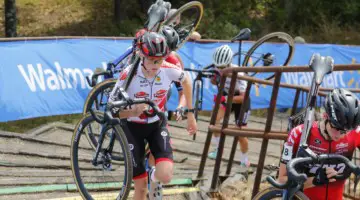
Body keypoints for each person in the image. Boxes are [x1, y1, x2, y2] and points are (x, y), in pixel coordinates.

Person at [108, 32, 197, 200]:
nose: (156, 64)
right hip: (132, 128)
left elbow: (187, 80)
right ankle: (147, 178)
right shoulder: (129, 75)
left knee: (166, 175)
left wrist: (190, 113)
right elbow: (111, 109)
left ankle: (153, 177)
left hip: (156, 124)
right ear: (142, 55)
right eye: (152, 60)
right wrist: (132, 111)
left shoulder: (167, 70)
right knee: (140, 191)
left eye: (160, 60)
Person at [279, 88, 360, 200]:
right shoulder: (300, 134)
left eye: (345, 131)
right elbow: (282, 180)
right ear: (325, 116)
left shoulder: (355, 133)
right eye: (337, 128)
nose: (340, 135)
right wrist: (314, 180)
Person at [208, 45, 251, 168]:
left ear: (229, 63)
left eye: (222, 67)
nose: (220, 69)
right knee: (214, 121)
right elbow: (213, 81)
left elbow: (244, 98)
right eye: (218, 67)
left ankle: (245, 159)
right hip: (227, 95)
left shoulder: (239, 73)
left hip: (240, 101)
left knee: (240, 134)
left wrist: (224, 98)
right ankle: (218, 150)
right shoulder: (215, 67)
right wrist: (214, 79)